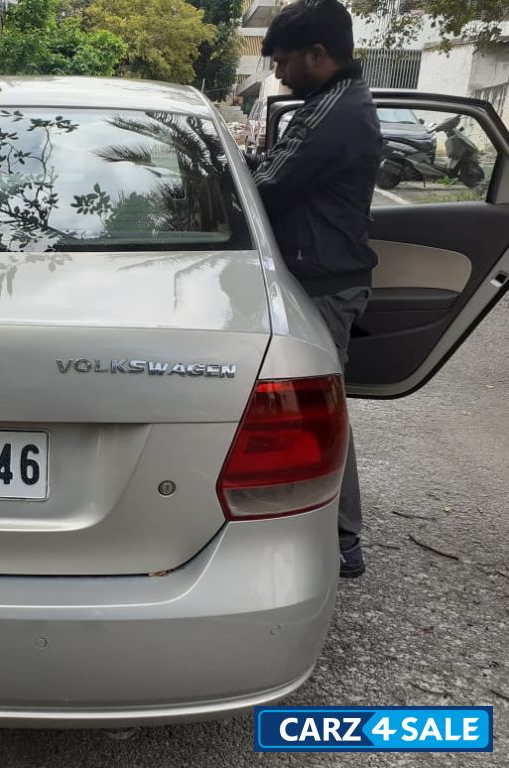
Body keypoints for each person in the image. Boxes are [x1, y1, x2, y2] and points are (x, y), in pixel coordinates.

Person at [252, 0, 382, 578]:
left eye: (282, 62)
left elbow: (270, 186)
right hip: (318, 272)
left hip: (325, 281)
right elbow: (278, 167)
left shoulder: (336, 116)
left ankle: (341, 537)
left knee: (315, 411)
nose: (278, 73)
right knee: (306, 407)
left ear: (317, 55)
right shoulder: (330, 104)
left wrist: (220, 173)